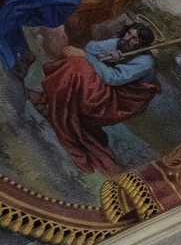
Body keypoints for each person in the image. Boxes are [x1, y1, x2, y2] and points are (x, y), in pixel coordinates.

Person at [29, 21, 158, 175]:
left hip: (117, 102)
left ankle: (56, 105)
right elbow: (91, 47)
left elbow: (112, 77)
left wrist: (88, 57)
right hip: (109, 87)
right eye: (128, 34)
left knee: (78, 65)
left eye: (134, 39)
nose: (127, 39)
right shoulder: (122, 43)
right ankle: (53, 101)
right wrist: (108, 55)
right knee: (75, 62)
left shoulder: (145, 62)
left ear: (141, 44)